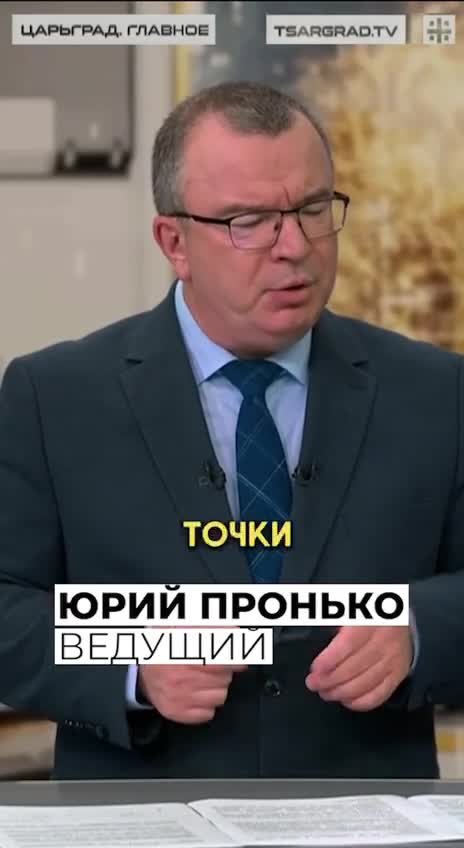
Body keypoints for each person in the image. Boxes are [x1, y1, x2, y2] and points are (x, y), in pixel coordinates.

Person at [0, 80, 463, 781]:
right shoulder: (53, 397)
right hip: (143, 818)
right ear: (174, 242)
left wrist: (419, 630)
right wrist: (129, 662)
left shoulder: (435, 391)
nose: (295, 247)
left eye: (313, 209)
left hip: (366, 815)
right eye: (249, 221)